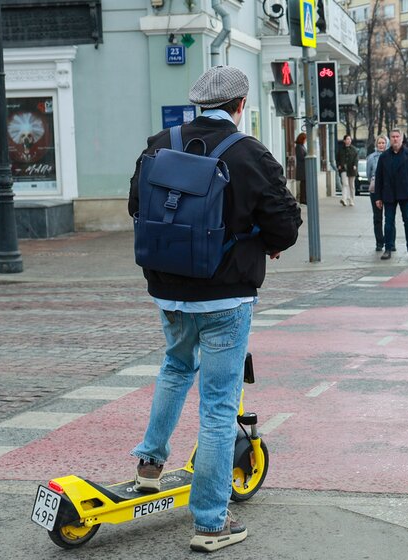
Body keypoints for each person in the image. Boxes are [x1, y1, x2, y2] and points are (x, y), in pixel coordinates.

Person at [127, 65, 302, 553]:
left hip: (167, 291)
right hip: (226, 296)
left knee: (176, 366)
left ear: (198, 102)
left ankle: (149, 466)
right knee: (220, 406)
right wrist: (263, 242)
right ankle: (210, 523)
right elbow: (285, 226)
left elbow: (134, 205)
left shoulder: (160, 143)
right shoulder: (249, 154)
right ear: (241, 105)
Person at [375, 128, 408, 261]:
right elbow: (379, 177)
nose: (395, 139)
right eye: (393, 136)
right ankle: (388, 249)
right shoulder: (384, 156)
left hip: (406, 193)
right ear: (390, 139)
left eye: (397, 136)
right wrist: (378, 197)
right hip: (388, 194)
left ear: (401, 138)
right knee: (388, 222)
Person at [366, 135, 388, 251]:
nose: (381, 145)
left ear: (386, 144)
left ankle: (390, 242)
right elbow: (369, 174)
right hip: (376, 190)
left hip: (388, 189)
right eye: (379, 143)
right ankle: (379, 242)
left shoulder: (390, 156)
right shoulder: (371, 157)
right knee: (377, 217)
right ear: (376, 144)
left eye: (383, 143)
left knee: (389, 217)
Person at [336, 134, 359, 207]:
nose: (349, 140)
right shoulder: (341, 149)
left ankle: (351, 200)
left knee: (351, 185)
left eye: (350, 139)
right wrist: (338, 165)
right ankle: (344, 199)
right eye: (347, 139)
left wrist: (355, 165)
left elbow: (356, 158)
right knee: (345, 184)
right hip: (343, 169)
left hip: (352, 169)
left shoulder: (354, 149)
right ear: (344, 141)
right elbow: (337, 158)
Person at [295, 132, 307, 205]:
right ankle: (303, 199)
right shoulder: (299, 147)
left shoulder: (302, 146)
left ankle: (304, 199)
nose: (305, 141)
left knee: (304, 185)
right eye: (305, 139)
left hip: (304, 168)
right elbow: (301, 157)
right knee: (303, 185)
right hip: (302, 169)